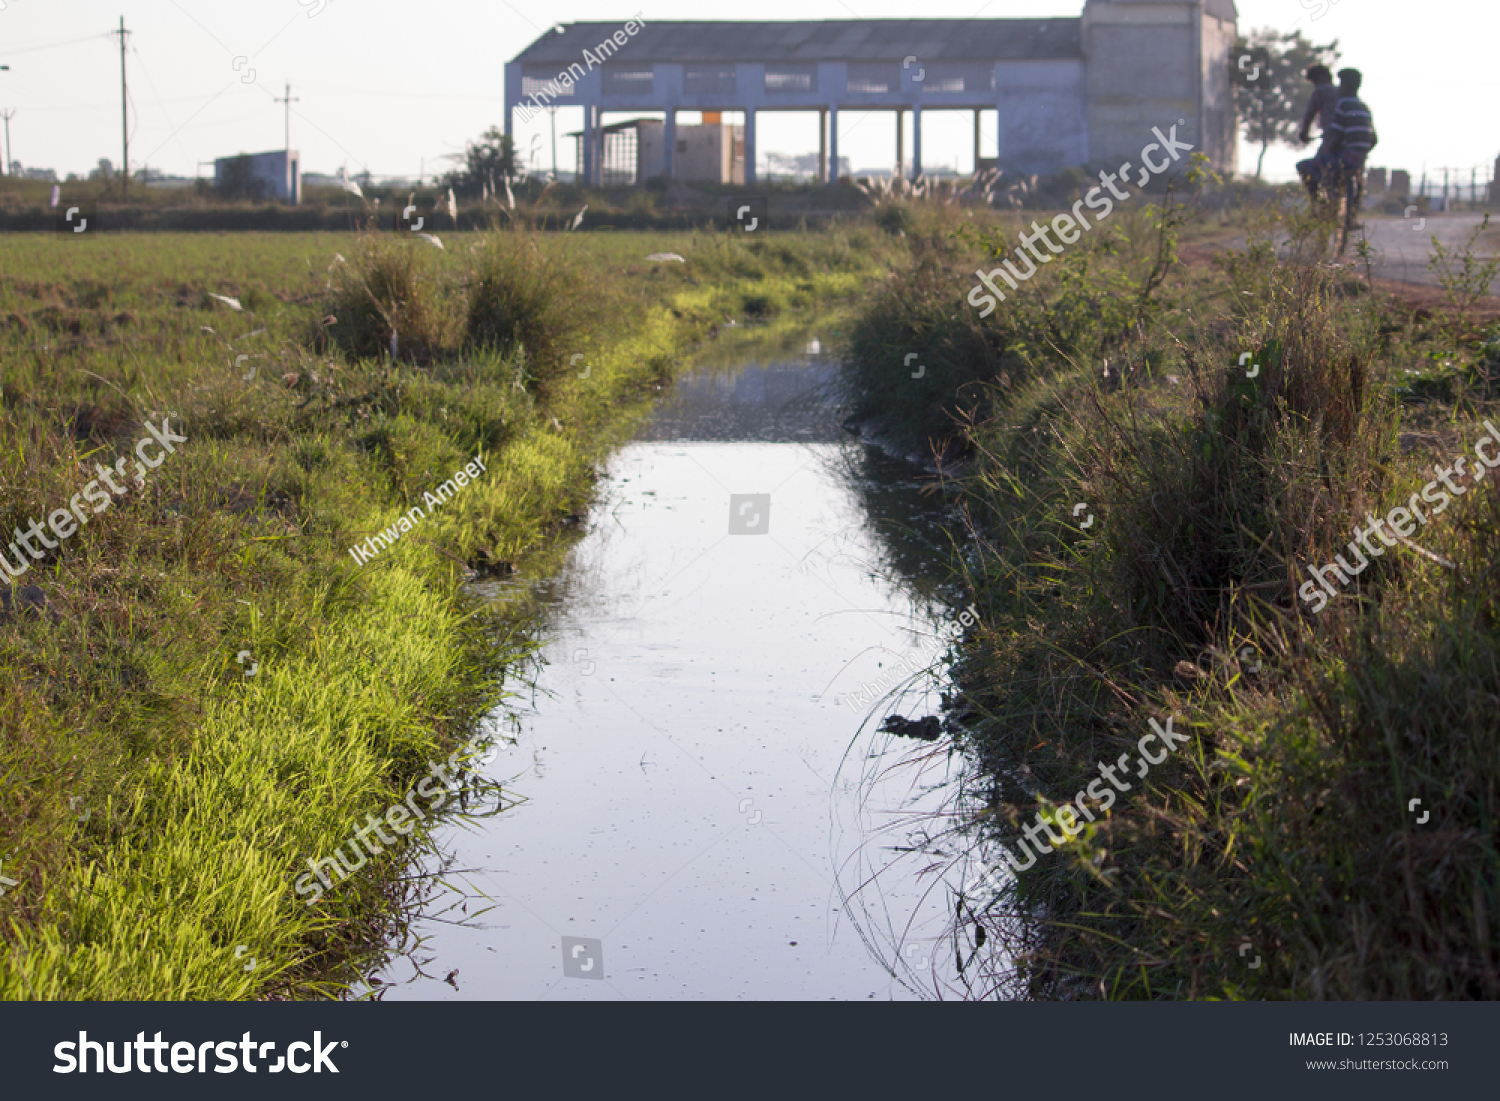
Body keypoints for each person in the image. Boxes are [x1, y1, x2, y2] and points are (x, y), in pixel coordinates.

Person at [1322, 68, 1378, 207]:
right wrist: (1361, 152)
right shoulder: (1364, 107)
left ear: (1345, 85)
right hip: (1360, 158)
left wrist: (1326, 150)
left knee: (1308, 167)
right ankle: (1351, 213)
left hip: (1345, 157)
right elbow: (1374, 139)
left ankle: (1321, 207)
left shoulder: (1343, 104)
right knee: (1355, 178)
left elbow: (1336, 135)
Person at [1295, 65, 1341, 200]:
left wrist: (1304, 133)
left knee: (1310, 169)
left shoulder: (1321, 91)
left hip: (1331, 139)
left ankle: (1317, 204)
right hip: (1347, 140)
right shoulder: (1341, 91)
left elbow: (1310, 113)